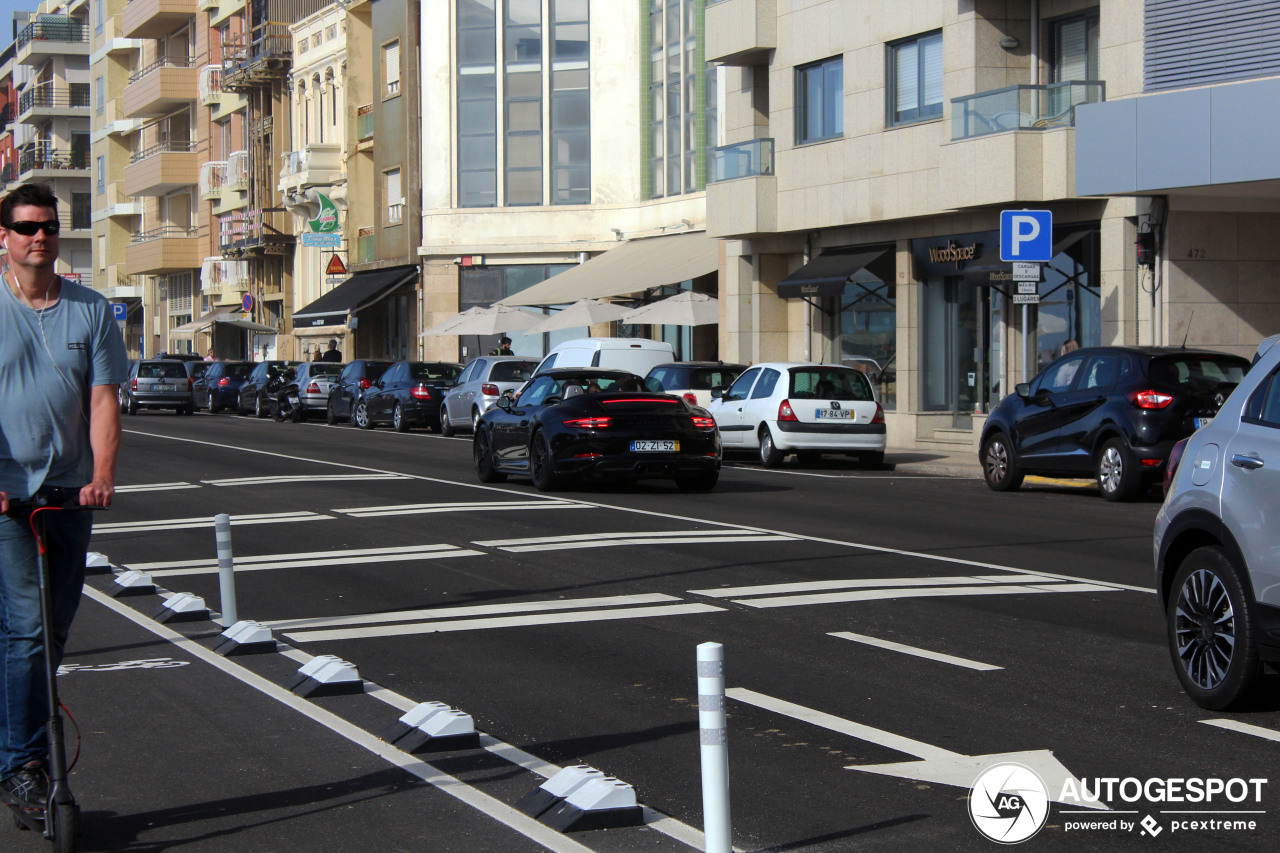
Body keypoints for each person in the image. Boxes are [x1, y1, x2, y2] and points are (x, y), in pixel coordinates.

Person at [0, 182, 127, 815]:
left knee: (53, 632)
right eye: (25, 227)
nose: (38, 237)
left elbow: (104, 398)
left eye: (47, 226)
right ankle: (20, 764)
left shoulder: (90, 311)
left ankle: (22, 743)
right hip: (8, 497)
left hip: (71, 493)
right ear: (5, 237)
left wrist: (101, 473)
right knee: (25, 631)